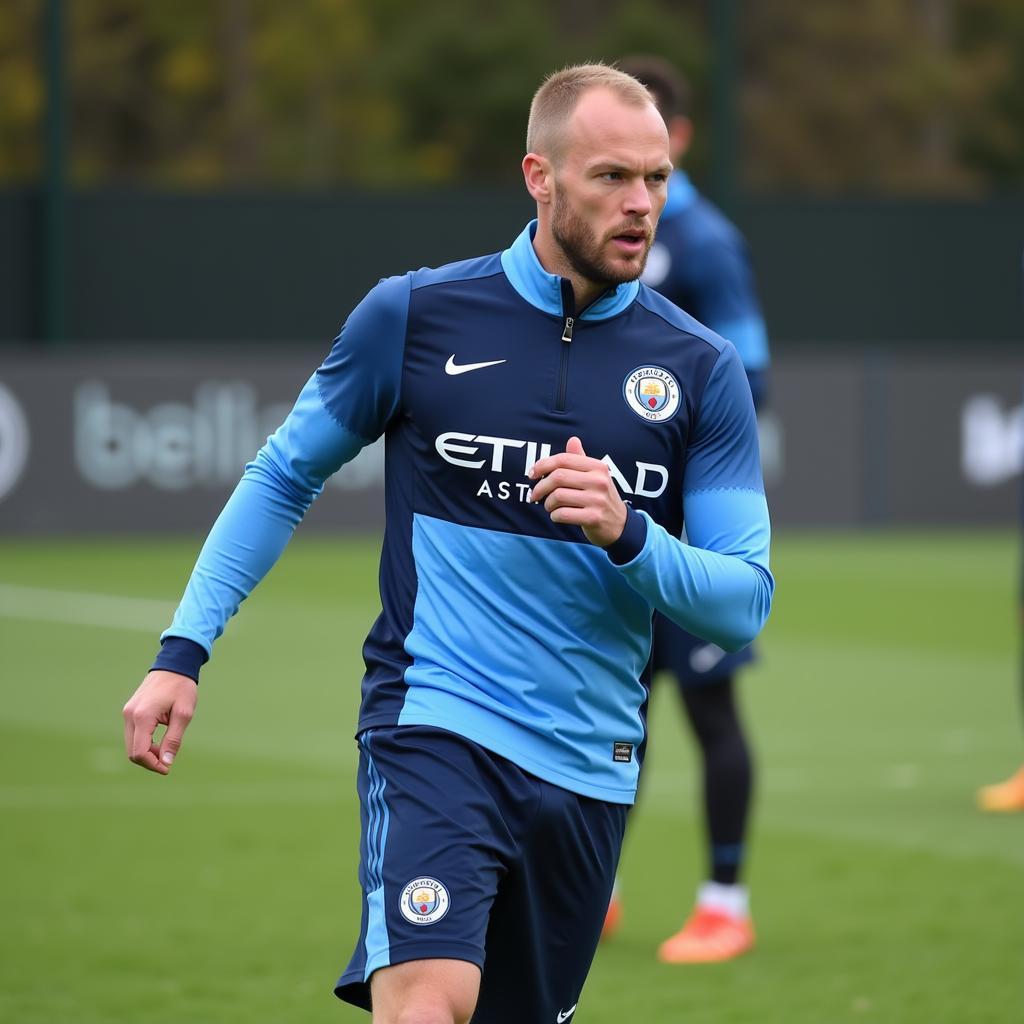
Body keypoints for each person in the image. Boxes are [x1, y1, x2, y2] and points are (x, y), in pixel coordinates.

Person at [121, 63, 773, 1024]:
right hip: (434, 727)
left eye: (656, 180)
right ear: (538, 178)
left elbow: (742, 598)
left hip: (592, 768)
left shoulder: (700, 369)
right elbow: (281, 474)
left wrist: (629, 532)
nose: (642, 206)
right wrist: (184, 650)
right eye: (610, 179)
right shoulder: (416, 316)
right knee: (427, 1005)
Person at [602, 55, 772, 965]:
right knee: (609, 709)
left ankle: (724, 904)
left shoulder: (704, 241)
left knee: (710, 712)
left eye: (652, 139)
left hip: (689, 532)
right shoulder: (589, 231)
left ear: (682, 137)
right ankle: (599, 891)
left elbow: (754, 378)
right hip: (606, 527)